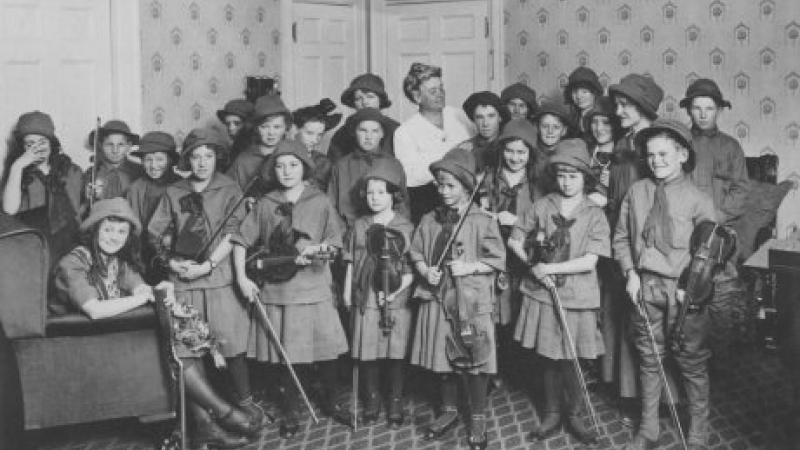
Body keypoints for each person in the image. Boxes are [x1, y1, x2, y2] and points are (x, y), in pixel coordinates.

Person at [54, 198, 262, 449]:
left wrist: (157, 290)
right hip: (76, 345)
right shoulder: (74, 262)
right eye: (107, 230)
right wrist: (143, 297)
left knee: (178, 342)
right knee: (171, 349)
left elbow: (139, 285)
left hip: (107, 336)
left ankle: (207, 426)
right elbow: (95, 310)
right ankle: (222, 412)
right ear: (93, 230)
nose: (114, 237)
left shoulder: (115, 261)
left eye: (122, 231)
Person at [147, 128, 266, 432]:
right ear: (187, 160)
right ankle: (207, 416)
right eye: (196, 157)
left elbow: (235, 233)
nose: (202, 163)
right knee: (190, 347)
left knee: (231, 342)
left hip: (219, 277)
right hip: (184, 279)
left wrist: (209, 264)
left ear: (217, 158)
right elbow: (154, 234)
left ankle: (244, 401)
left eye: (208, 156)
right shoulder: (173, 192)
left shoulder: (230, 189)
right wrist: (172, 261)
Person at [232, 141, 349, 438]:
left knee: (326, 352)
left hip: (314, 288)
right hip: (278, 290)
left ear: (305, 168)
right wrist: (242, 279)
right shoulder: (265, 202)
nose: (286, 171)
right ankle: (290, 409)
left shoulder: (320, 201)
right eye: (280, 165)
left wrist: (324, 251)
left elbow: (335, 242)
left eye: (293, 165)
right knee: (285, 355)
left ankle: (333, 401)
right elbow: (240, 241)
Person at [613, 119, 717, 449]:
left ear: (683, 155)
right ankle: (649, 429)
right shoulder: (637, 192)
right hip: (646, 287)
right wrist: (630, 272)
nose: (656, 161)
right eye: (651, 155)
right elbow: (619, 238)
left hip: (684, 292)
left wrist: (692, 286)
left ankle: (698, 432)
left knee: (691, 362)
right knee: (649, 358)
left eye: (664, 154)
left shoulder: (699, 200)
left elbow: (713, 252)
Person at [508, 139, 609, 444]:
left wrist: (549, 269)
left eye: (573, 175)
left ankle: (575, 414)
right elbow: (515, 240)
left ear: (585, 178)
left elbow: (590, 260)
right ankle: (552, 413)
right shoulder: (542, 205)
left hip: (577, 295)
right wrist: (533, 264)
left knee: (572, 357)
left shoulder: (594, 213)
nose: (566, 181)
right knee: (549, 355)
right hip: (542, 295)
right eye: (562, 175)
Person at [409, 149, 505, 450]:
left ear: (466, 186)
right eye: (439, 185)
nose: (443, 191)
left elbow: (498, 259)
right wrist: (426, 270)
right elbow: (415, 252)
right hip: (439, 298)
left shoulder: (481, 219)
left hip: (470, 300)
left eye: (450, 185)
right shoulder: (429, 218)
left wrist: (470, 266)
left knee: (474, 358)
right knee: (443, 356)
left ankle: (477, 415)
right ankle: (449, 410)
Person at [680, 78, 750, 360]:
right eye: (697, 108)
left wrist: (713, 220)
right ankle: (688, 361)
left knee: (721, 302)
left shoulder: (731, 147)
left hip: (721, 237)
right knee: (686, 298)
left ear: (719, 110)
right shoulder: (679, 143)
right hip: (685, 232)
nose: (703, 114)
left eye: (709, 108)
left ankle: (720, 367)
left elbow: (741, 190)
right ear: (690, 110)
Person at [341, 160, 414, 428]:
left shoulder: (405, 226)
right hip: (366, 294)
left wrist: (396, 292)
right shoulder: (360, 224)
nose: (374, 198)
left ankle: (395, 400)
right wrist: (348, 291)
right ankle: (371, 399)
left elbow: (410, 268)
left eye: (381, 192)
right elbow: (351, 259)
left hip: (396, 294)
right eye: (370, 192)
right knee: (367, 349)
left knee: (395, 350)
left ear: (393, 195)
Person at [482, 118, 542, 376]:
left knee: (523, 308)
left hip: (524, 253)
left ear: (530, 154)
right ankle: (499, 368)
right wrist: (493, 217)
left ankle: (523, 370)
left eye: (521, 152)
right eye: (509, 151)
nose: (515, 157)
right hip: (496, 253)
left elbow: (544, 224)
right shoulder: (489, 179)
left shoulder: (537, 183)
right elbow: (479, 214)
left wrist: (517, 221)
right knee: (499, 310)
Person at [394, 62, 475, 223]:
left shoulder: (458, 115)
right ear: (417, 97)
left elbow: (476, 146)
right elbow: (410, 177)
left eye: (441, 88)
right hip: (429, 202)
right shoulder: (405, 132)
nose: (440, 94)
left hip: (467, 196)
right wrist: (453, 153)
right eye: (433, 91)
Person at [2, 111, 83, 271]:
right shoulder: (19, 173)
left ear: (51, 143)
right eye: (30, 144)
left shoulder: (71, 170)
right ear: (22, 147)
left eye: (42, 142)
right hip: (34, 244)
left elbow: (80, 209)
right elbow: (9, 210)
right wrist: (18, 166)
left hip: (69, 241)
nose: (37, 148)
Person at [328, 107, 410, 229]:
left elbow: (402, 206)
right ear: (354, 132)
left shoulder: (394, 165)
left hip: (388, 232)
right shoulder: (341, 166)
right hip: (349, 233)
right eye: (363, 130)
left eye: (375, 131)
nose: (368, 136)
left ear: (382, 134)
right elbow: (331, 207)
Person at [126, 131, 182, 283]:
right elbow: (133, 228)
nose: (153, 165)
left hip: (177, 254)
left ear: (170, 160)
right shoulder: (136, 188)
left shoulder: (182, 186)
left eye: (159, 159)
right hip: (145, 255)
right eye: (148, 159)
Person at [227, 94, 291, 198]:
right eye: (264, 127)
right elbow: (228, 193)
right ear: (256, 128)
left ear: (286, 128)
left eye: (277, 127)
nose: (271, 133)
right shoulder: (244, 160)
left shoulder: (295, 154)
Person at [328, 73, 400, 162]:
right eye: (358, 98)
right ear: (353, 103)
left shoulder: (396, 130)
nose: (365, 102)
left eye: (370, 97)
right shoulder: (342, 135)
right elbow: (334, 169)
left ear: (380, 100)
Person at [84, 120, 143, 202]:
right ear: (101, 145)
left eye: (121, 144)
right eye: (109, 144)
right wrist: (88, 198)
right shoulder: (92, 173)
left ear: (129, 146)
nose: (115, 150)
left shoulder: (140, 172)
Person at [291, 98, 342, 191]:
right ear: (295, 130)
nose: (315, 140)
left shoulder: (323, 163)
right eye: (309, 133)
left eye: (320, 135)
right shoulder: (281, 157)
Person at [455, 91, 509, 170]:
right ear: (473, 120)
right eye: (479, 117)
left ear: (500, 118)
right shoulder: (465, 148)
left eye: (491, 116)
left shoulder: (510, 145)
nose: (485, 123)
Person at [530, 101, 572, 195]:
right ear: (537, 128)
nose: (550, 131)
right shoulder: (529, 154)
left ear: (564, 130)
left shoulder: (569, 156)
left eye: (556, 127)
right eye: (545, 126)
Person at [564, 67, 603, 143]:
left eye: (584, 92)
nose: (579, 97)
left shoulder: (603, 118)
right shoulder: (570, 119)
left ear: (594, 93)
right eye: (575, 92)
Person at [216, 98, 255, 170]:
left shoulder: (250, 148)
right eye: (228, 124)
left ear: (248, 124)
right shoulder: (235, 146)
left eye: (237, 123)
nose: (231, 128)